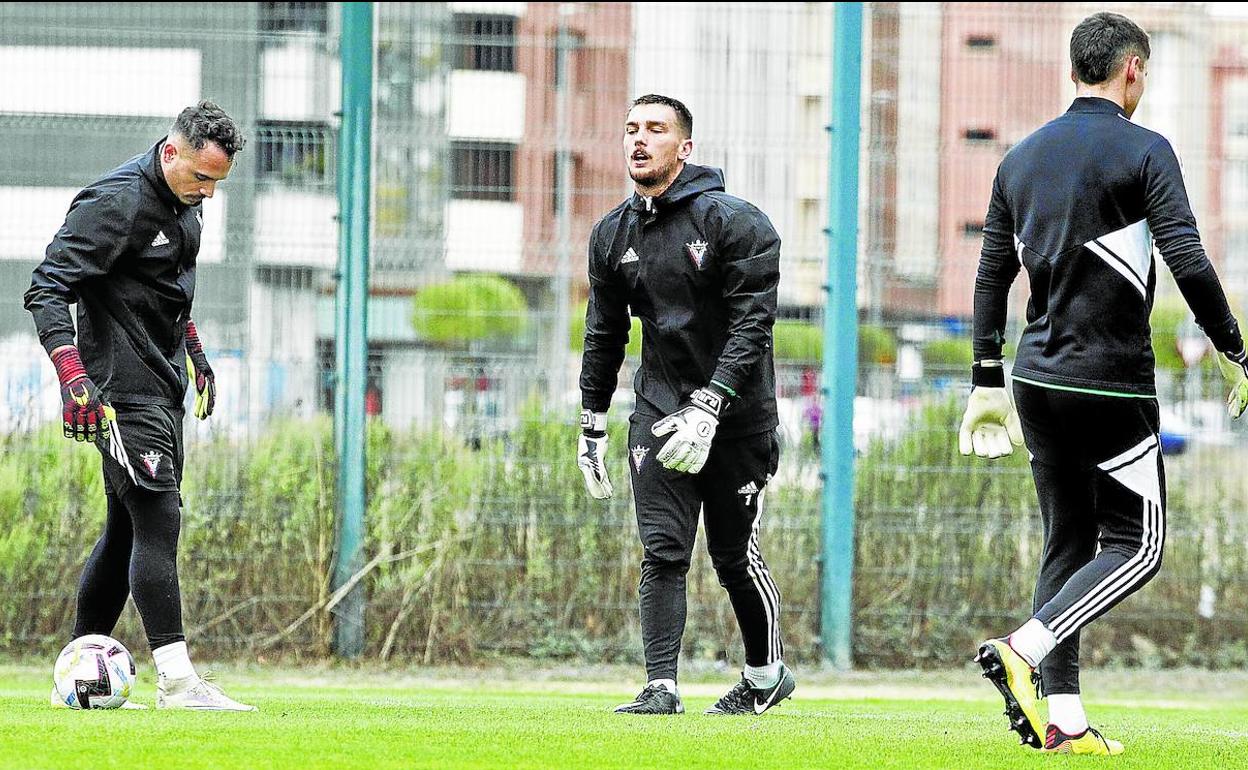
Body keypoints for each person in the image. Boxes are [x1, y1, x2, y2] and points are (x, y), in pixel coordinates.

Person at [959, 12, 1248, 755]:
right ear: (1132, 71)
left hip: (1034, 378)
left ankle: (1065, 722)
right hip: (1110, 382)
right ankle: (1023, 646)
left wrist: (985, 378)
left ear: (1073, 69)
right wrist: (1233, 349)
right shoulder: (1145, 149)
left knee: (1068, 542)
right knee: (1138, 546)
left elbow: (992, 274)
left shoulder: (1018, 160)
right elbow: (1186, 256)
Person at [25, 101, 256, 711]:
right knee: (159, 517)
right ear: (171, 150)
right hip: (118, 388)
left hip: (162, 387)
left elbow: (169, 297)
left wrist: (197, 356)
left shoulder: (187, 211)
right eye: (200, 178)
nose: (207, 193)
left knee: (125, 530)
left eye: (217, 183)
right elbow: (46, 288)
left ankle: (75, 675)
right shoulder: (115, 203)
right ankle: (178, 682)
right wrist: (73, 378)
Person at [577, 94, 794, 715]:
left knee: (732, 555)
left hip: (737, 416)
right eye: (630, 129)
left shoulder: (736, 222)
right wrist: (592, 420)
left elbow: (753, 326)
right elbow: (605, 333)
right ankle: (661, 687)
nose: (638, 140)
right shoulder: (611, 234)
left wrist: (712, 402)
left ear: (685, 147)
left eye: (655, 129)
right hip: (658, 409)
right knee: (663, 549)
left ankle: (764, 675)